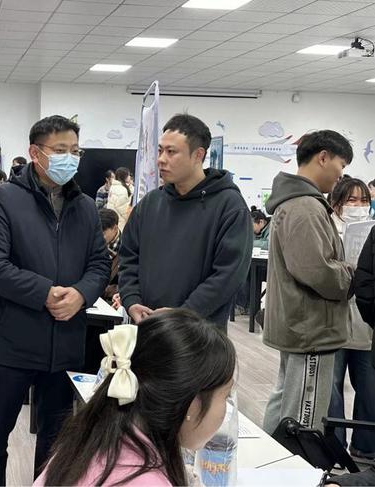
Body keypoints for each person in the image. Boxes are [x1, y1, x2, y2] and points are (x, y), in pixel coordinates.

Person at [0, 115, 110, 485]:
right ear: (35, 152)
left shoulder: (85, 206)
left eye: (75, 151)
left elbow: (100, 263)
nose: (70, 158)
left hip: (65, 342)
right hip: (10, 342)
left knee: (56, 443)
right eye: (61, 150)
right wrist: (44, 292)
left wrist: (82, 293)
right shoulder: (2, 199)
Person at [35, 309, 235, 486]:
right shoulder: (142, 478)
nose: (227, 409)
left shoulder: (92, 440)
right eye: (225, 397)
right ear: (192, 405)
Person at [118, 114, 252, 331]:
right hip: (147, 327)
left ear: (198, 155)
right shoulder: (150, 204)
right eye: (160, 151)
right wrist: (131, 300)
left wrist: (184, 313)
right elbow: (129, 257)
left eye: (171, 152)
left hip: (199, 334)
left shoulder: (229, 206)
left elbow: (228, 275)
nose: (161, 159)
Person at [262, 130, 354, 435]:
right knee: (304, 418)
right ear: (323, 157)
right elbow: (316, 271)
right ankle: (295, 462)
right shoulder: (305, 206)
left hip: (301, 325)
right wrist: (352, 274)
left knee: (286, 402)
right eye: (341, 165)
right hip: (311, 328)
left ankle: (273, 459)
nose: (341, 174)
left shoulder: (297, 202)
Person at [328, 177, 375, 458]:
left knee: (368, 388)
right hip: (334, 322)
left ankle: (366, 447)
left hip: (366, 325)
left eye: (364, 200)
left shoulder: (372, 230)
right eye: (351, 200)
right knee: (332, 388)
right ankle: (334, 449)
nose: (358, 206)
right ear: (337, 203)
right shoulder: (327, 228)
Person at [100, 208, 121, 301]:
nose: (100, 237)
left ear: (115, 228)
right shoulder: (94, 240)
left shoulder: (128, 248)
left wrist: (106, 290)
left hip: (111, 301)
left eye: (103, 234)